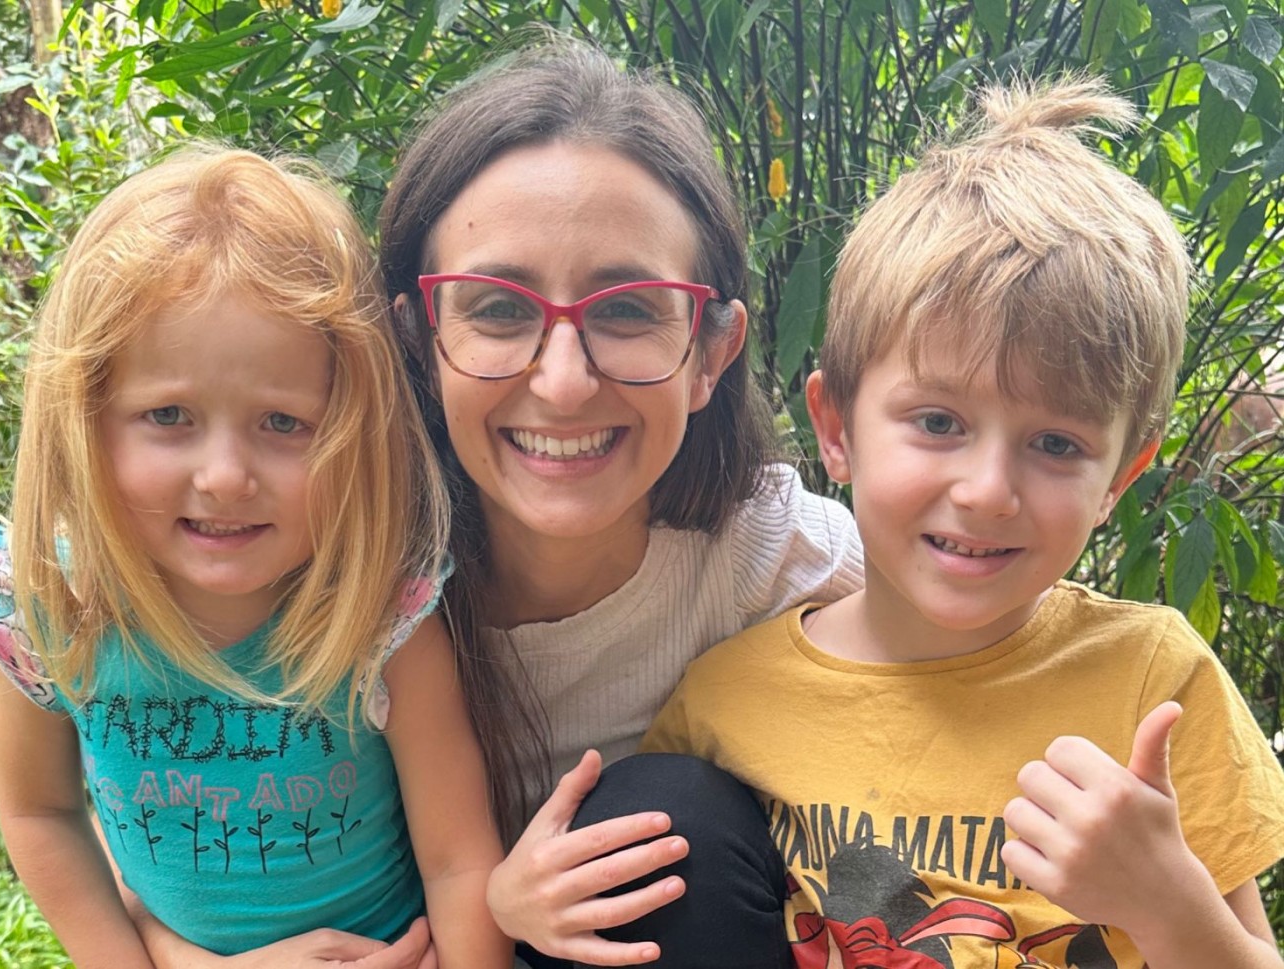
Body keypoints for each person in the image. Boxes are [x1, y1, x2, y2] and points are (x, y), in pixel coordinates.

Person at [120, 33, 863, 969]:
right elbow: (136, 805)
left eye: (627, 308)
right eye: (499, 309)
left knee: (671, 824)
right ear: (416, 341)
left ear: (711, 351)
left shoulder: (788, 564)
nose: (563, 382)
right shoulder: (308, 564)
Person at [642, 78, 1284, 968]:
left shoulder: (1153, 682)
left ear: (1119, 479)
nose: (988, 491)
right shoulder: (725, 701)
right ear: (836, 429)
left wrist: (1167, 902)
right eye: (939, 422)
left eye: (1056, 443)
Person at [0, 147, 513, 969]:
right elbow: (40, 813)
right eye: (169, 415)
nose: (224, 477)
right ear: (84, 418)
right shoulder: (48, 605)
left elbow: (459, 858)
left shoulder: (377, 618)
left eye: (284, 422)